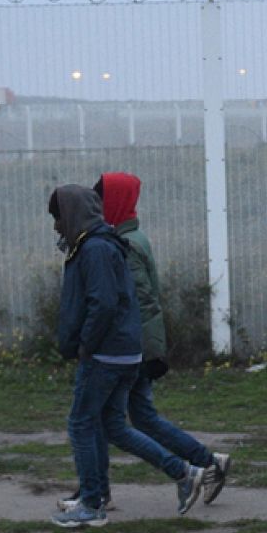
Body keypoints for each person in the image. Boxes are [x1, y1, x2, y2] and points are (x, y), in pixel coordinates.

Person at [58, 171, 228, 510]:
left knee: (115, 421)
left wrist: (112, 343)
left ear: (115, 202)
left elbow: (133, 299)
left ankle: (198, 466)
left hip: (127, 346)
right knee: (122, 420)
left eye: (101, 198)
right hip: (132, 344)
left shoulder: (124, 243)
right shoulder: (125, 236)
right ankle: (199, 465)